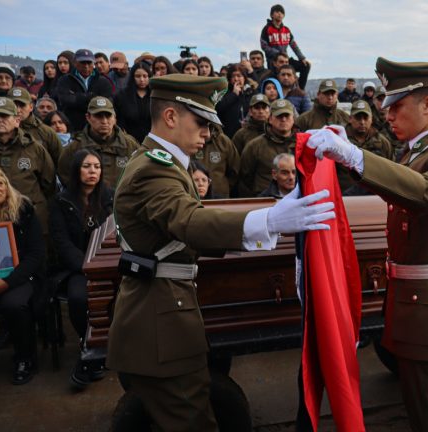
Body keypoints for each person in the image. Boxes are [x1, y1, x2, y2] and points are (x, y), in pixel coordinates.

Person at [107, 74, 334, 431]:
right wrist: (269, 220)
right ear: (170, 117)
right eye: (200, 122)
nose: (208, 134)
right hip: (159, 322)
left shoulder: (160, 163)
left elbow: (182, 234)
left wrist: (263, 223)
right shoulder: (154, 170)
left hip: (162, 312)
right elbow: (188, 222)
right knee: (193, 422)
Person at [307, 57, 428, 431]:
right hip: (413, 302)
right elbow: (400, 189)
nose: (387, 114)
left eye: (397, 106)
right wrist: (353, 157)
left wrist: (355, 156)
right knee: (416, 409)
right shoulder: (415, 151)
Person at [49, 149, 113, 388]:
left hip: (108, 265)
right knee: (78, 298)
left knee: (118, 295)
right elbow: (61, 242)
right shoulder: (61, 202)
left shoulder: (109, 197)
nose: (92, 171)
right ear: (77, 170)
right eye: (87, 166)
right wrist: (87, 266)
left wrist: (103, 264)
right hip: (78, 268)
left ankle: (101, 347)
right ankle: (90, 345)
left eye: (97, 167)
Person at [0, 167, 45, 385]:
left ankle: (25, 359)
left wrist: (7, 282)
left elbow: (35, 255)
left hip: (21, 277)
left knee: (14, 305)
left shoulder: (24, 209)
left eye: (0, 183)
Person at [0, 97, 55, 233]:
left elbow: (49, 185)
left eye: (4, 116)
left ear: (17, 120)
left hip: (31, 219)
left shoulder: (34, 148)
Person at [58, 96, 140, 188]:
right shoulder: (75, 147)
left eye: (108, 116)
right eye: (98, 116)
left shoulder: (130, 145)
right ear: (88, 117)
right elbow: (65, 175)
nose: (104, 121)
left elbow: (140, 174)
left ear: (115, 117)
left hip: (121, 200)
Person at [239, 99, 297, 196]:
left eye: (287, 116)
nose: (283, 119)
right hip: (265, 202)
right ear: (270, 119)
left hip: (298, 199)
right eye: (279, 116)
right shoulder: (255, 146)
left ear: (293, 118)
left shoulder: (302, 144)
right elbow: (245, 178)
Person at [340, 99, 393, 193]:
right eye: (358, 118)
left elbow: (391, 171)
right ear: (350, 119)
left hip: (375, 197)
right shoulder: (340, 141)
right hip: (344, 198)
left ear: (371, 119)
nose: (362, 122)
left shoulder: (382, 142)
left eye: (365, 118)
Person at [55, 49, 115, 132]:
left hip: (97, 127)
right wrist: (90, 96)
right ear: (75, 63)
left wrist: (77, 97)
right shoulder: (65, 80)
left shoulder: (103, 81)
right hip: (73, 127)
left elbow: (107, 102)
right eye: (83, 62)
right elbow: (66, 100)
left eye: (89, 62)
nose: (86, 66)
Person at [260, 4, 311, 90]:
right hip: (273, 61)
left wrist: (301, 57)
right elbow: (264, 46)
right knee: (276, 78)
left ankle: (300, 90)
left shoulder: (286, 30)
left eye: (281, 12)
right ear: (272, 15)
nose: (279, 14)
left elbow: (293, 45)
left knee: (306, 66)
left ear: (284, 15)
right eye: (277, 12)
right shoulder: (266, 29)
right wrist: (277, 53)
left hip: (286, 59)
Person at [8, 87, 62, 165]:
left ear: (31, 107)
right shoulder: (0, 131)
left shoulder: (47, 132)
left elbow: (61, 163)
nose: (18, 110)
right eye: (13, 105)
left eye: (22, 105)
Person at [190, 123, 239, 198]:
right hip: (193, 193)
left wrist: (223, 185)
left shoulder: (223, 141)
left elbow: (234, 169)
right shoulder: (189, 139)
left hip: (220, 193)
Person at [114, 62, 152, 143]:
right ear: (132, 77)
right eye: (138, 76)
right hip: (128, 142)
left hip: (151, 142)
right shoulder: (122, 96)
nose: (142, 79)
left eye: (145, 76)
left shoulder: (154, 95)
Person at [216, 64, 255, 139]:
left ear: (244, 78)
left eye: (239, 76)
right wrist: (233, 94)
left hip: (248, 136)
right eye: (233, 76)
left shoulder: (251, 92)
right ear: (229, 79)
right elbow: (219, 108)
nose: (236, 79)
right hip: (228, 135)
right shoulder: (223, 93)